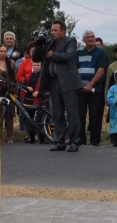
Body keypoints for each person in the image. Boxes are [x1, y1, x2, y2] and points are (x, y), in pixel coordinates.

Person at [35, 19, 83, 152]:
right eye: (51, 30)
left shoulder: (70, 41)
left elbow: (68, 56)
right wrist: (39, 44)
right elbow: (36, 58)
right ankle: (59, 141)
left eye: (56, 30)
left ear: (63, 31)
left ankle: (74, 142)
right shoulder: (49, 43)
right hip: (54, 82)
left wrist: (53, 55)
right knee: (57, 113)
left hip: (68, 82)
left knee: (72, 113)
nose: (53, 33)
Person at [76, 30, 108, 146]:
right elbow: (74, 68)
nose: (90, 39)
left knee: (95, 116)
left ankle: (95, 142)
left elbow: (101, 70)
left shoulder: (100, 53)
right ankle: (81, 141)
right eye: (88, 37)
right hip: (80, 89)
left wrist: (90, 85)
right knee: (80, 115)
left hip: (95, 90)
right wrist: (80, 85)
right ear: (84, 40)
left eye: (92, 37)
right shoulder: (78, 52)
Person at [0, 44, 17, 144]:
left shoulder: (11, 63)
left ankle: (9, 137)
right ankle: (0, 137)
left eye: (5, 51)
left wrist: (16, 92)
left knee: (9, 116)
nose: (3, 53)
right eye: (1, 51)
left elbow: (15, 79)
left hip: (9, 92)